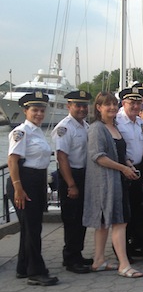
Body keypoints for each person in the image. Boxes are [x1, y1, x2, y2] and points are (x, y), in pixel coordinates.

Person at [82, 92, 143, 278]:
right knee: (119, 221)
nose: (112, 108)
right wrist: (123, 169)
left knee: (103, 224)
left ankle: (98, 260)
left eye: (114, 104)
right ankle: (124, 265)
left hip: (117, 181)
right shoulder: (96, 129)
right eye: (107, 105)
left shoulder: (114, 126)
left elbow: (119, 153)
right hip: (105, 183)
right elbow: (98, 156)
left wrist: (129, 164)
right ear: (98, 107)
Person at [7, 92, 57, 286]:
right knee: (32, 229)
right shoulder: (21, 132)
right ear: (25, 111)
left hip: (36, 180)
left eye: (42, 110)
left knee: (30, 227)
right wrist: (18, 188)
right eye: (34, 110)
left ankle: (23, 267)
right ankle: (36, 272)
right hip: (23, 181)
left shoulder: (37, 131)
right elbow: (12, 160)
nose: (39, 113)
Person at [51, 90, 93, 274]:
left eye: (84, 105)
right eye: (78, 105)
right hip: (71, 176)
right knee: (71, 219)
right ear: (69, 106)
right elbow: (62, 158)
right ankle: (70, 258)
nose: (82, 109)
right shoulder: (64, 128)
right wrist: (71, 184)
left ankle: (77, 254)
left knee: (81, 218)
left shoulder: (86, 126)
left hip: (84, 175)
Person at [116, 86, 143, 255]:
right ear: (124, 103)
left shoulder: (140, 123)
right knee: (125, 210)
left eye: (138, 103)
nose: (135, 106)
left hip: (139, 169)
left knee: (138, 208)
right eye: (132, 103)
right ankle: (122, 248)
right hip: (123, 170)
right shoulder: (116, 121)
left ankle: (134, 242)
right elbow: (116, 149)